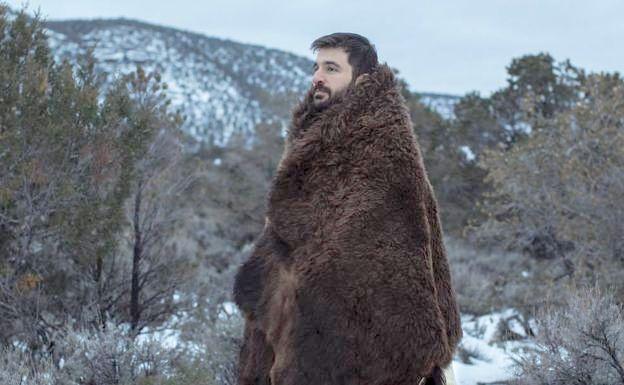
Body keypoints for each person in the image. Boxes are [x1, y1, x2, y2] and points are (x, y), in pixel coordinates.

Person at [233, 32, 462, 385]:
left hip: (361, 335)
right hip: (303, 322)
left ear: (363, 79)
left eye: (331, 68)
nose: (317, 77)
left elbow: (402, 259)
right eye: (316, 67)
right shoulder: (315, 139)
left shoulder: (383, 149)